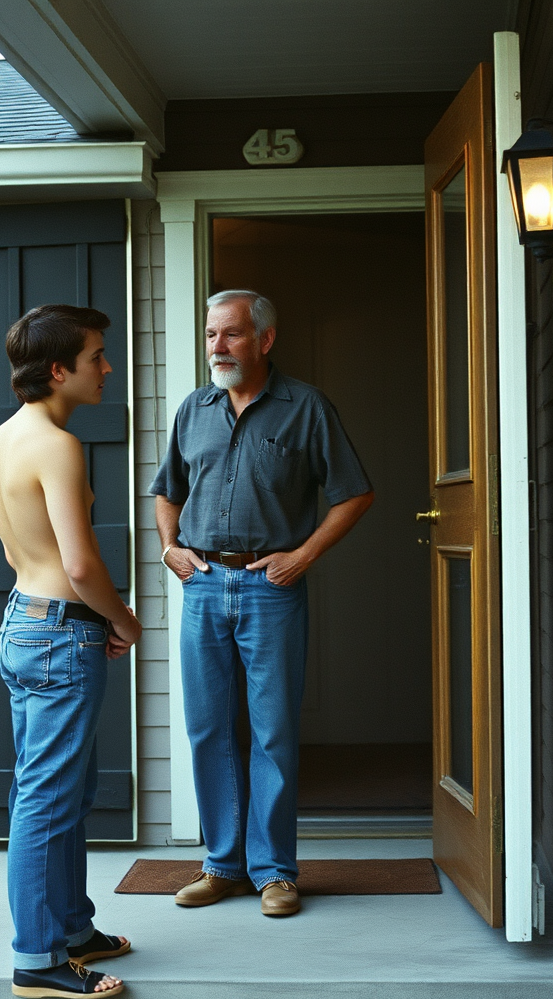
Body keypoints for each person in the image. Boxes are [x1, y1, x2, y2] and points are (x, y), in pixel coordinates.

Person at [151, 289, 374, 917]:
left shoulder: (306, 408)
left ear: (265, 339)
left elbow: (354, 493)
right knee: (208, 728)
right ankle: (223, 866)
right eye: (210, 335)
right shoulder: (193, 410)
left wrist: (303, 555)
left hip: (270, 590)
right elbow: (167, 489)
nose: (217, 347)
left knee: (272, 731)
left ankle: (275, 871)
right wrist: (171, 548)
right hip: (202, 587)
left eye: (231, 334)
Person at [0, 304, 141, 999]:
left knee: (56, 791)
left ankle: (72, 927)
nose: (107, 368)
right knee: (47, 800)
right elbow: (79, 564)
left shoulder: (3, 439)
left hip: (24, 621)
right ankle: (39, 960)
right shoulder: (58, 445)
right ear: (58, 369)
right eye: (97, 356)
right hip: (59, 631)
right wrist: (123, 619)